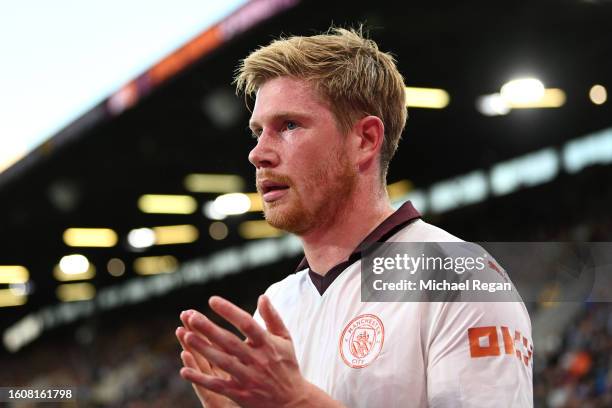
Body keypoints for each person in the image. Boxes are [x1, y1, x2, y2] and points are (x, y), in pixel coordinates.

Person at [176, 27, 533, 407]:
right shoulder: (277, 305)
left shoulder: (461, 275)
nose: (258, 153)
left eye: (289, 126)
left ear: (365, 139)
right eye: (257, 132)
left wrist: (300, 403)